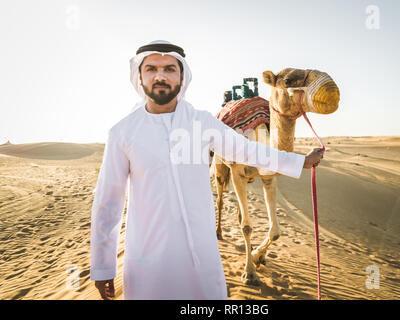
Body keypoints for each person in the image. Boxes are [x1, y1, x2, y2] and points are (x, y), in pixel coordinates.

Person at [90, 40, 324, 300]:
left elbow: (248, 151)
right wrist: (102, 267)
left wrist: (299, 161)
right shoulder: (123, 132)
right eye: (151, 69)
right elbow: (107, 203)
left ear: (182, 77)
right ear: (139, 76)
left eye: (169, 69)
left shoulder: (201, 122)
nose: (160, 76)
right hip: (148, 261)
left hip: (200, 260)